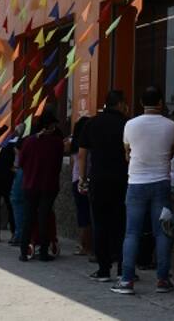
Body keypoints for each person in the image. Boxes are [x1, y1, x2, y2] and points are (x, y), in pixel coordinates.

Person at [112, 87, 174, 295]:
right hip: (162, 182)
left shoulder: (130, 124)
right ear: (160, 102)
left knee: (131, 232)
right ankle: (162, 279)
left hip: (136, 183)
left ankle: (126, 280)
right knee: (162, 232)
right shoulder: (171, 125)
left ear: (141, 103)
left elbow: (127, 152)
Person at [82, 89, 129, 282]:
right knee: (121, 224)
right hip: (122, 179)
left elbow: (83, 153)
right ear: (120, 104)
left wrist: (83, 178)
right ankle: (122, 269)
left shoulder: (92, 123)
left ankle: (103, 269)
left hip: (98, 179)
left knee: (100, 224)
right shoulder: (127, 124)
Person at [20, 112, 64, 262]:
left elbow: (21, 162)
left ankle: (23, 251)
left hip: (30, 184)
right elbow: (58, 165)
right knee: (44, 217)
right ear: (50, 126)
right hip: (48, 185)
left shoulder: (28, 141)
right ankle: (43, 252)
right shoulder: (57, 143)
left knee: (29, 217)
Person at [69, 115, 93, 256]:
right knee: (88, 214)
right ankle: (87, 245)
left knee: (82, 214)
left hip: (76, 180)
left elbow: (73, 165)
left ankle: (84, 244)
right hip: (86, 179)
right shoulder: (89, 144)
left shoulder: (74, 145)